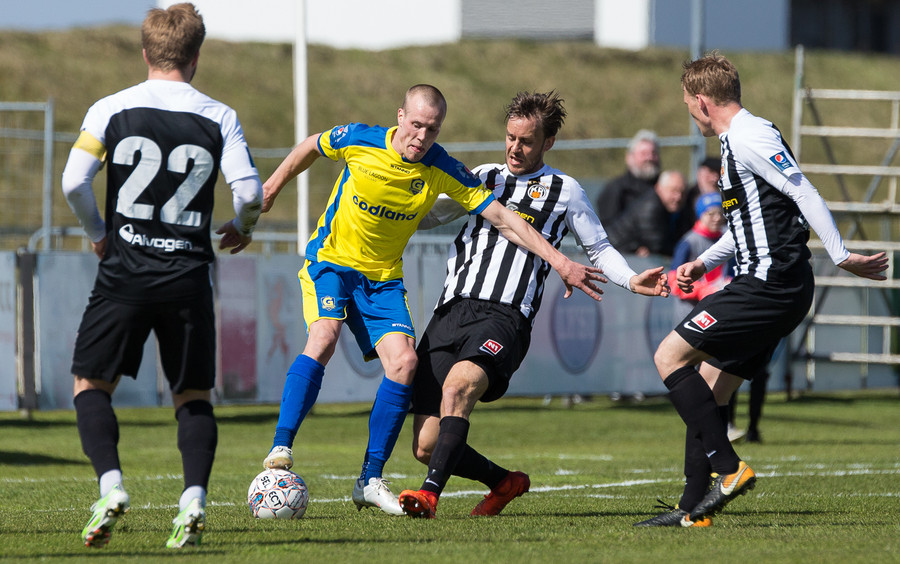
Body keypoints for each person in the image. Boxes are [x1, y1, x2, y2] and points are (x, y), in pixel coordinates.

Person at [259, 84, 605, 516]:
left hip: (383, 279)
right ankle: (281, 446)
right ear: (400, 116)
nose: (422, 137)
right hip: (331, 262)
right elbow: (312, 144)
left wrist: (560, 261)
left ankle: (370, 479)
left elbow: (504, 218)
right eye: (417, 125)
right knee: (324, 338)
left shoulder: (443, 167)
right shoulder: (360, 138)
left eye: (433, 129)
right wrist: (271, 187)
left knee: (405, 363)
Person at [636, 52, 888, 528]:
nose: (689, 113)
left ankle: (729, 469)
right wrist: (703, 262)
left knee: (669, 356)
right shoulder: (738, 141)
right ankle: (691, 509)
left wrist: (840, 255)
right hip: (774, 284)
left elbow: (804, 191)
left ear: (702, 101)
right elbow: (749, 226)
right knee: (710, 388)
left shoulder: (750, 136)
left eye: (688, 104)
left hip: (771, 283)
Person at [396, 91, 670, 519]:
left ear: (548, 142)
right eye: (510, 137)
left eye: (526, 141)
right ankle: (504, 482)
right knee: (427, 446)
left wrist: (632, 280)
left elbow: (599, 249)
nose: (514, 148)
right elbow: (428, 215)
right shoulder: (482, 176)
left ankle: (429, 496)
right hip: (449, 311)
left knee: (457, 388)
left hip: (504, 316)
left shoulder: (566, 191)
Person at [60, 3, 263, 548]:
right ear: (196, 56)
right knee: (192, 394)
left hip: (124, 273)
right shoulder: (219, 116)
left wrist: (99, 233)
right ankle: (193, 500)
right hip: (187, 277)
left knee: (90, 384)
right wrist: (242, 226)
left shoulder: (110, 108)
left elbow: (74, 180)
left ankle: (111, 486)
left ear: (146, 52)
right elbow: (249, 192)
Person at [605, 170, 694, 257]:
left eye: (683, 192)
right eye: (673, 191)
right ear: (659, 188)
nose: (678, 197)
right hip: (614, 251)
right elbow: (658, 246)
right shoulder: (650, 208)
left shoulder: (676, 209)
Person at [595, 129, 661, 227]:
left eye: (653, 153)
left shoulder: (664, 187)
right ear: (630, 157)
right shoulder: (615, 189)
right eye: (644, 153)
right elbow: (609, 228)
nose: (649, 158)